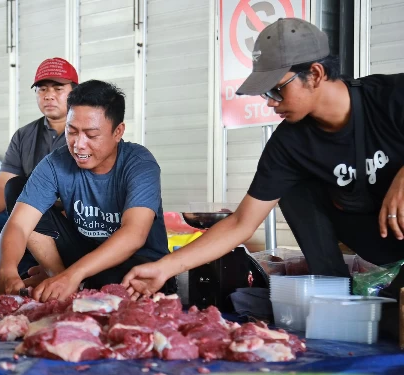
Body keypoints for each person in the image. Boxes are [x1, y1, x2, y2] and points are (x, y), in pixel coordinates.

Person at [122, 17, 404, 332]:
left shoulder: (391, 96)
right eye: (265, 93)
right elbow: (242, 223)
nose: (270, 102)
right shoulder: (289, 144)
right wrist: (164, 268)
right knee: (293, 190)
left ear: (314, 74)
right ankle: (337, 302)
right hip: (377, 245)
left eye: (277, 89)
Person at [0, 80, 177, 302]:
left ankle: (71, 281)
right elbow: (18, 224)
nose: (78, 145)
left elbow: (134, 235)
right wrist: (6, 270)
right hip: (83, 256)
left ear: (118, 131)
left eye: (91, 135)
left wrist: (74, 274)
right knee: (15, 187)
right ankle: (62, 278)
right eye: (72, 132)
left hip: (136, 263)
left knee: (115, 282)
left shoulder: (139, 163)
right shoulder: (56, 163)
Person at [0, 57, 78, 278]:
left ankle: (55, 272)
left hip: (69, 220)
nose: (49, 95)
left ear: (74, 92)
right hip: (27, 216)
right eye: (42, 89)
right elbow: (4, 182)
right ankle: (25, 273)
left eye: (58, 88)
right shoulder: (24, 136)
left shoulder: (83, 132)